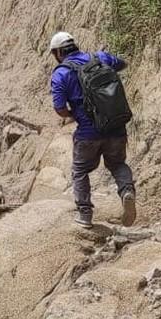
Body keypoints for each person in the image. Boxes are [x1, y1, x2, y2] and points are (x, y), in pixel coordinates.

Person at [48, 31, 137, 228]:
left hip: (88, 133)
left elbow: (59, 108)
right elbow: (122, 64)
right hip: (116, 126)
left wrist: (74, 114)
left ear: (58, 52)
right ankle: (126, 191)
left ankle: (85, 215)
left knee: (80, 170)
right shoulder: (100, 58)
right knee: (117, 164)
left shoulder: (61, 74)